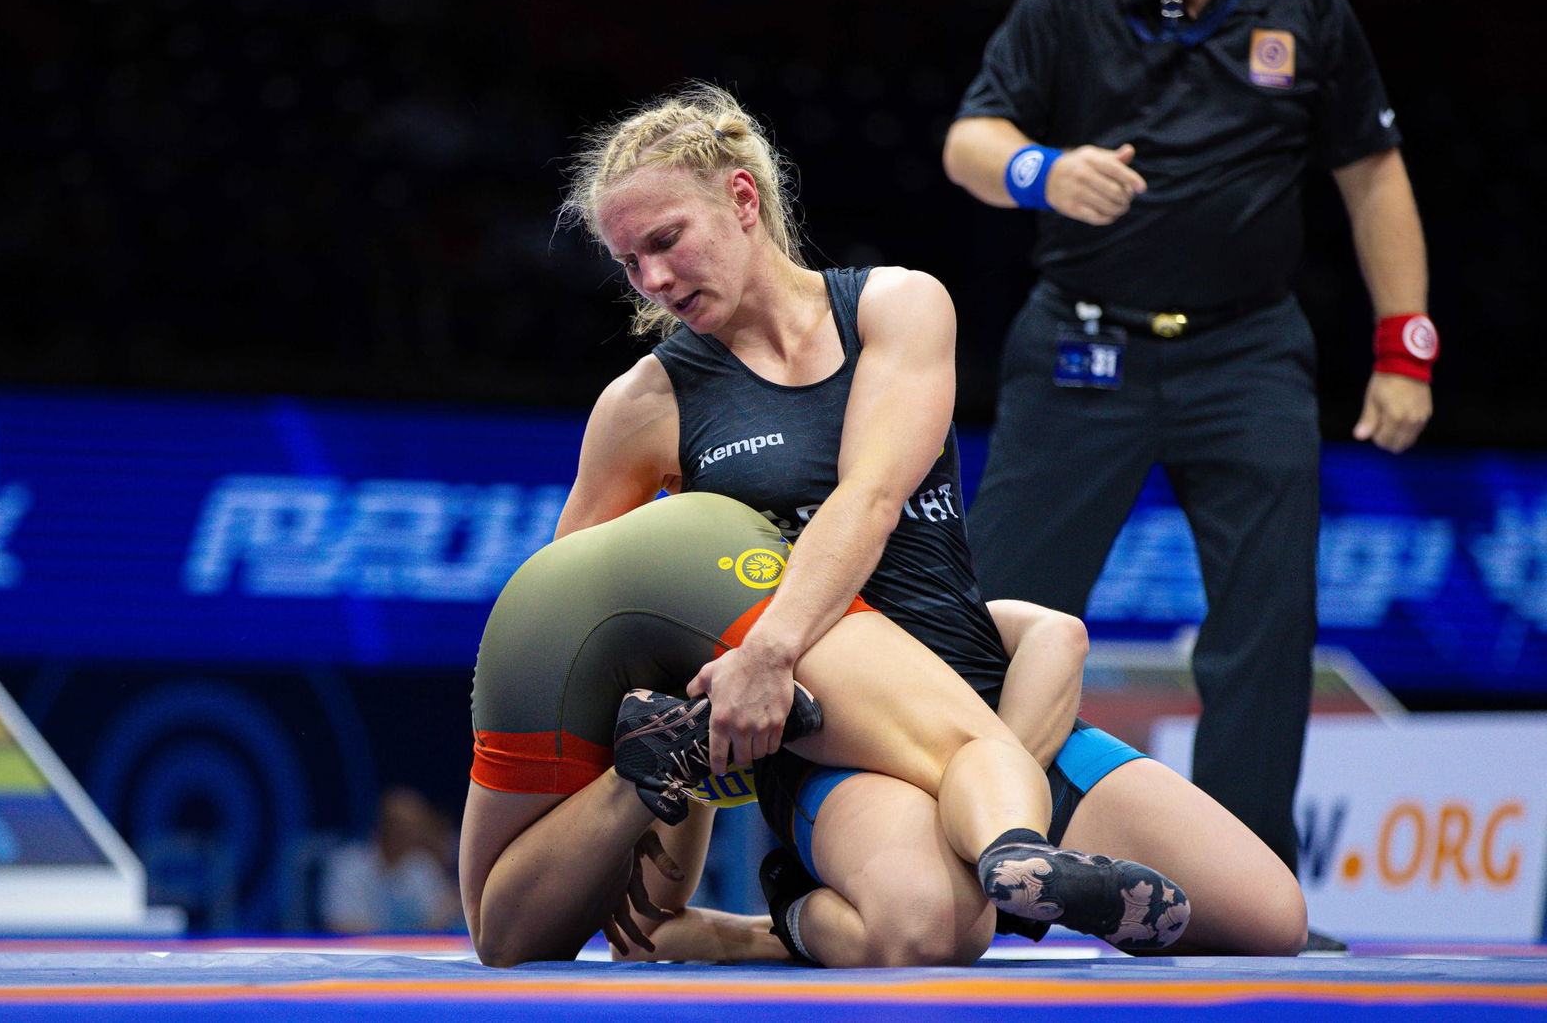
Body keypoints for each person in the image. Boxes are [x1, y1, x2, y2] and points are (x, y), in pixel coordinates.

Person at [549, 81, 1303, 964]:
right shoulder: (645, 403)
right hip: (836, 743)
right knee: (922, 930)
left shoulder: (896, 307)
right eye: (630, 262)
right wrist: (592, 826)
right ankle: (789, 914)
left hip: (982, 713)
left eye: (665, 242)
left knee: (1269, 922)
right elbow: (573, 617)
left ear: (743, 200)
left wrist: (767, 648)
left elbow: (868, 497)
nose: (653, 280)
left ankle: (1005, 856)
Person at [941, 0, 1437, 946]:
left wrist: (1404, 345)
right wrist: (1042, 168)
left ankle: (1240, 894)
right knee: (984, 619)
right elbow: (968, 143)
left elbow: (1371, 172)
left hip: (1245, 352)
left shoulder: (1305, 4)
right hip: (1083, 349)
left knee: (1265, 625)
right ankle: (964, 868)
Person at [458, 490, 1190, 967]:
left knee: (505, 935)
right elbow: (1040, 659)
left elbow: (654, 932)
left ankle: (642, 778)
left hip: (546, 621)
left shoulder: (891, 662)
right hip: (704, 576)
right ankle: (1011, 850)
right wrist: (985, 817)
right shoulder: (892, 643)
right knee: (970, 777)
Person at [319, 785, 462, 934]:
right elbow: (340, 925)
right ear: (387, 827)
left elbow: (439, 920)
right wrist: (405, 937)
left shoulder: (422, 865)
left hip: (411, 954)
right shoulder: (347, 865)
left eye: (420, 828)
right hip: (361, 955)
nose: (419, 835)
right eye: (410, 829)